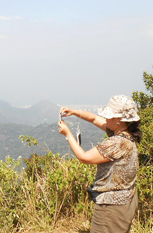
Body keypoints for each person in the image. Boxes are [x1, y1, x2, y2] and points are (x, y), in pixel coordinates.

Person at [58, 95, 142, 233]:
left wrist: (68, 134)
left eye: (109, 116)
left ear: (119, 120)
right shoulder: (127, 135)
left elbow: (84, 157)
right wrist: (74, 112)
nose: (106, 118)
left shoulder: (117, 143)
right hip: (126, 200)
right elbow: (94, 119)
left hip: (112, 206)